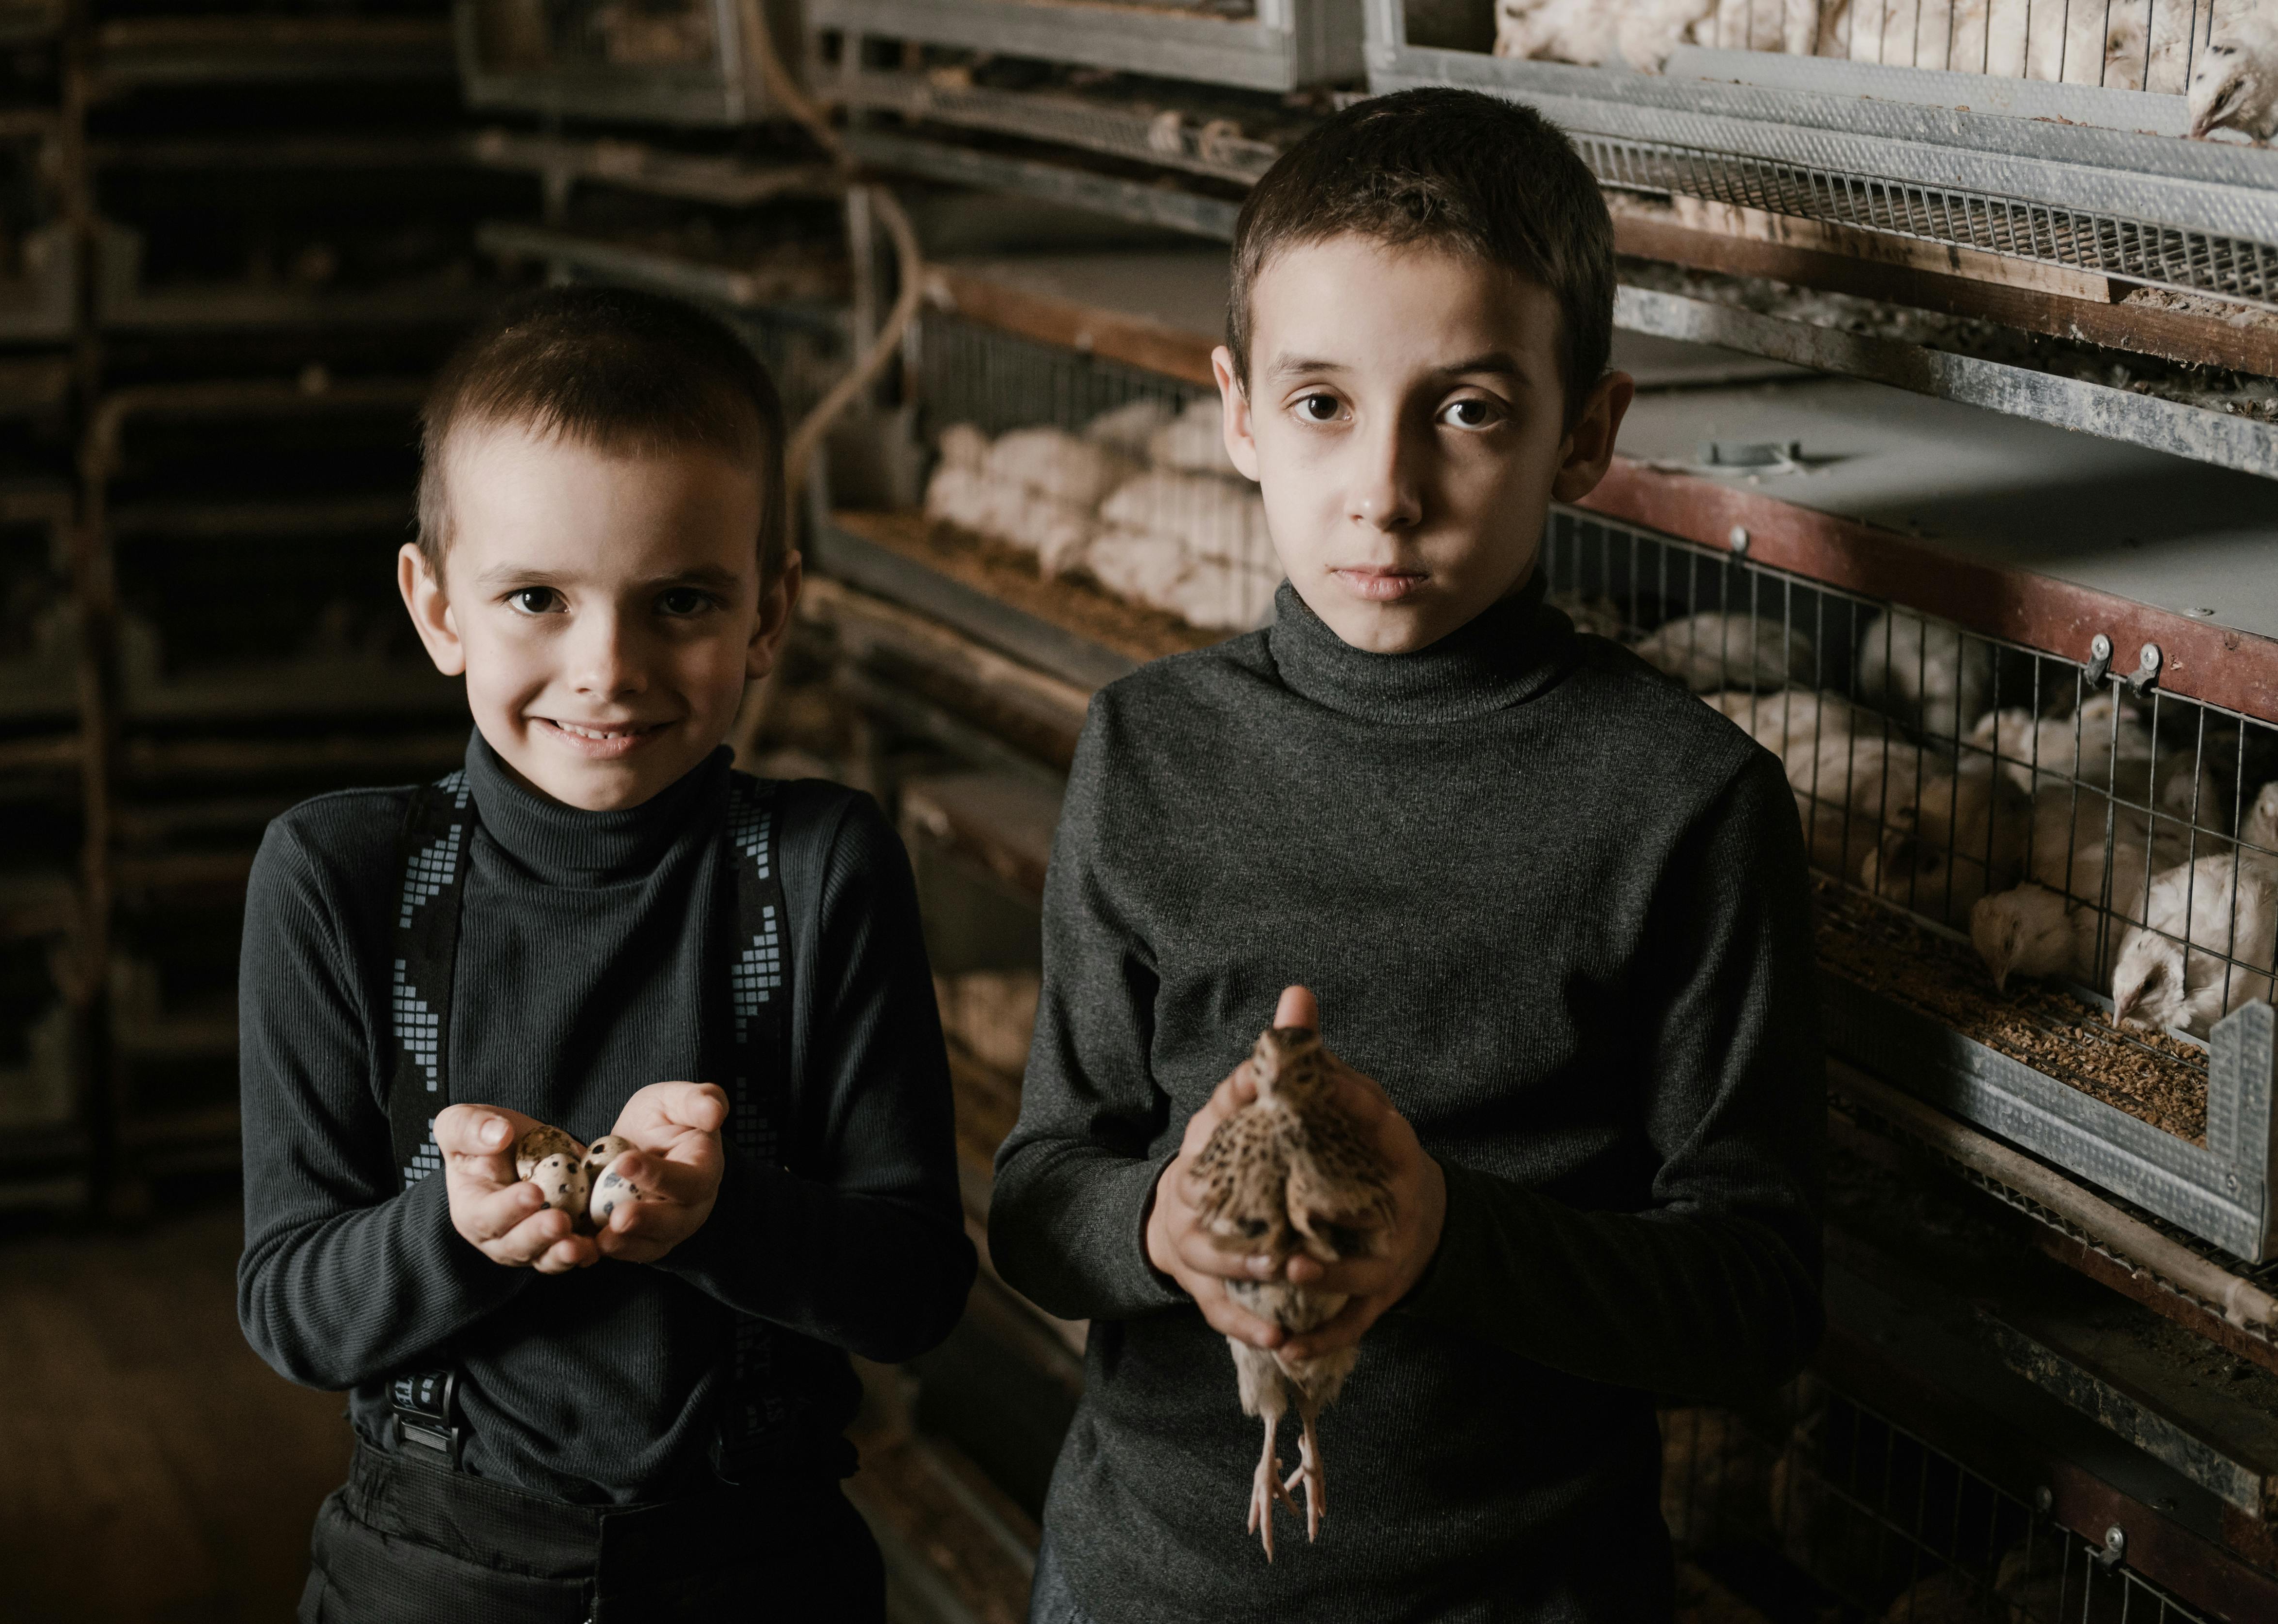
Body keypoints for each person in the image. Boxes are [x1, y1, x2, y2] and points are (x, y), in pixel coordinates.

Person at [990, 87, 1824, 1623]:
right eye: (1323, 404)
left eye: (1469, 408)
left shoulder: (1685, 801)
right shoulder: (1148, 748)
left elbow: (1758, 1300)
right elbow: (1041, 1192)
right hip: (1149, 1582)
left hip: (1522, 1590)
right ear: (1238, 413)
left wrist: (1447, 1235)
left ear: (1586, 434)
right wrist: (1158, 1224)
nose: (1385, 489)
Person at [237, 286, 976, 1623]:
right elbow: (292, 1304)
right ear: (436, 605)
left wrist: (723, 1215)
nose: (609, 668)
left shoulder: (820, 869)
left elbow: (916, 1288)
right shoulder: (336, 880)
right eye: (535, 598)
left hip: (759, 1571)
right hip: (430, 1573)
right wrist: (454, 1233)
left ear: (767, 615)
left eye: (681, 601)